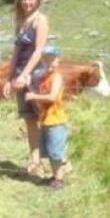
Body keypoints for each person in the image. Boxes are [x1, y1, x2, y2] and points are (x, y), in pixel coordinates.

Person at [2, 0, 48, 174]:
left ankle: (58, 160)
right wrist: (9, 78)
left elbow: (38, 51)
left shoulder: (40, 20)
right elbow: (16, 53)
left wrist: (24, 74)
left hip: (36, 74)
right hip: (21, 75)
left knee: (46, 117)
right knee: (29, 119)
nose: (27, 2)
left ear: (36, 0)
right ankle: (35, 159)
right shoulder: (20, 22)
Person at [25, 45, 70, 190]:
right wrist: (30, 87)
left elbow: (52, 97)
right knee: (50, 151)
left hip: (56, 120)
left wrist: (33, 96)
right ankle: (55, 175)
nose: (48, 63)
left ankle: (59, 178)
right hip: (45, 119)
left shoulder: (56, 77)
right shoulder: (44, 77)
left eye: (52, 59)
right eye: (46, 59)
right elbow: (40, 95)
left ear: (57, 60)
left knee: (56, 152)